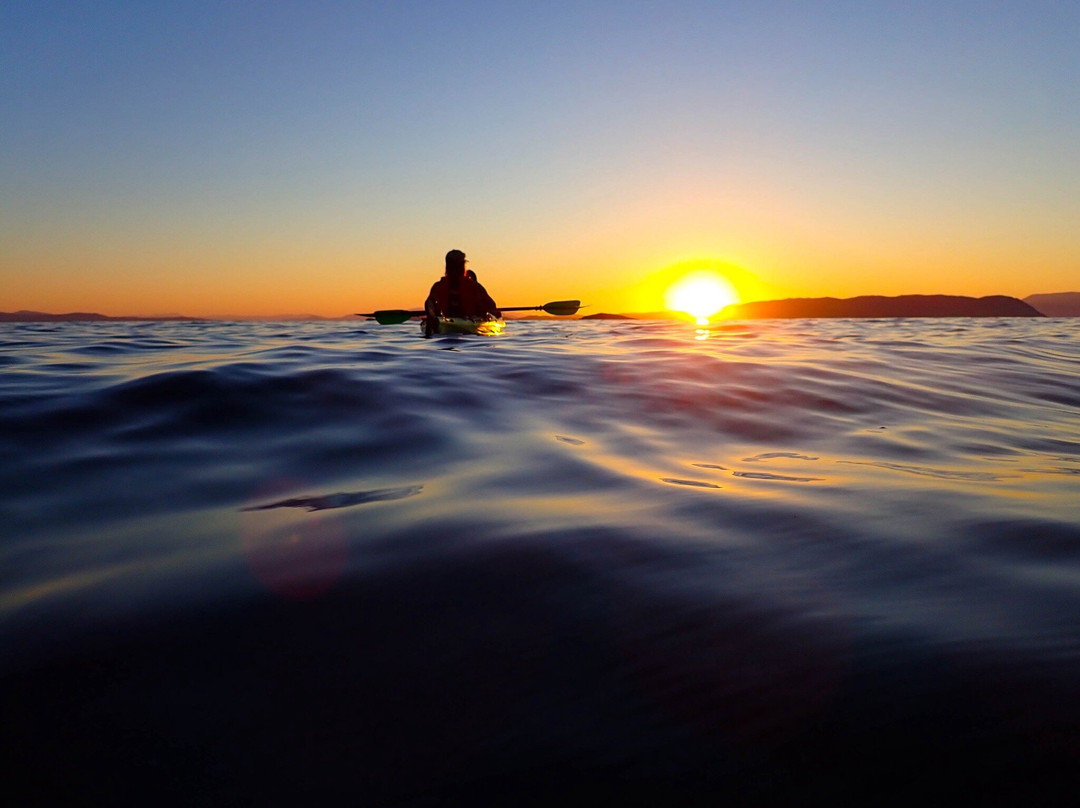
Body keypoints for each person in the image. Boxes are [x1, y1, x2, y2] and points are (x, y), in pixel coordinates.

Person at [424, 250, 500, 335]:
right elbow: (495, 311)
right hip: (453, 325)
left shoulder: (474, 287)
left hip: (459, 323)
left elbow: (493, 310)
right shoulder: (438, 287)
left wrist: (485, 316)